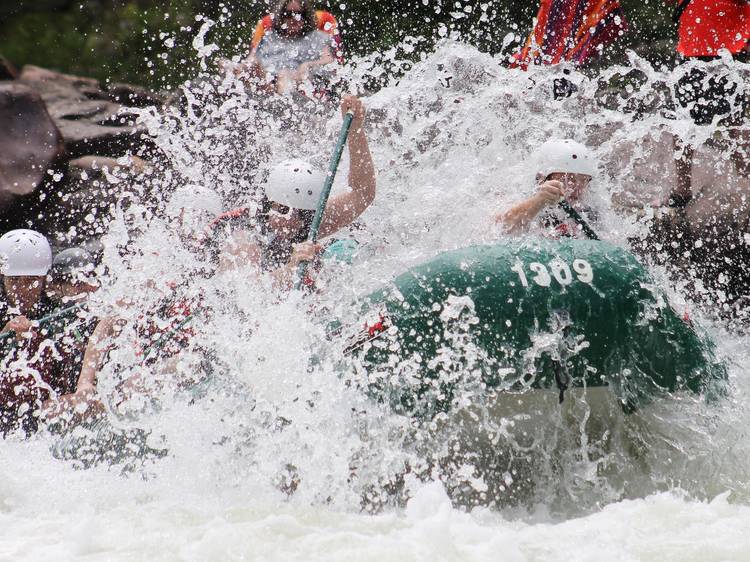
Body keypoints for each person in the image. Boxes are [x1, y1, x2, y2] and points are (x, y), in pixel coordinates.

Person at [213, 94, 375, 288]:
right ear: (269, 204)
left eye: (303, 214)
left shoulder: (304, 220)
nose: (291, 220)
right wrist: (291, 268)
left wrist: (356, 131)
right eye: (283, 210)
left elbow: (362, 194)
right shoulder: (242, 234)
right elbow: (245, 294)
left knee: (342, 250)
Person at [0, 229, 65, 436]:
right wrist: (6, 332)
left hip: (45, 411)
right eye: (14, 280)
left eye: (31, 280)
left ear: (44, 279)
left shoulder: (59, 311)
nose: (22, 288)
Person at [230, 0, 340, 95]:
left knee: (284, 74)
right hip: (266, 79)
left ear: (306, 16)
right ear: (282, 17)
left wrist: (307, 65)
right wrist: (242, 67)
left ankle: (276, 100)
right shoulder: (269, 37)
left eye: (298, 13)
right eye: (288, 14)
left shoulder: (318, 37)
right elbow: (251, 59)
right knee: (230, 66)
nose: (294, 18)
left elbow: (329, 60)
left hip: (296, 82)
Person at [496, 139, 598, 237]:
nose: (577, 188)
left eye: (583, 181)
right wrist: (538, 201)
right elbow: (498, 229)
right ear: (542, 180)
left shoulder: (590, 215)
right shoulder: (520, 198)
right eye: (568, 179)